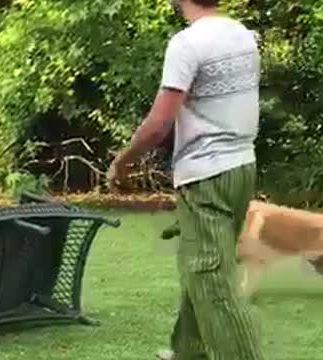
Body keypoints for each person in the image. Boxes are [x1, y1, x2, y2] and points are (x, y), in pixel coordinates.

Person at [106, 0, 265, 359]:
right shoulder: (241, 35)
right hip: (242, 166)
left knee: (210, 278)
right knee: (202, 265)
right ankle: (188, 351)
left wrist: (122, 162)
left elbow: (159, 124)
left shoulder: (188, 44)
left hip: (206, 173)